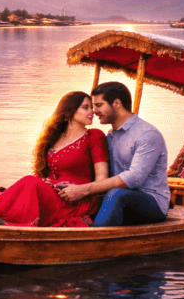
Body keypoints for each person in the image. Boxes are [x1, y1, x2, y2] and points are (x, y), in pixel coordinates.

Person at [0, 91, 109, 227]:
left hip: (75, 200)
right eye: (85, 107)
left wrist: (81, 190)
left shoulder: (94, 136)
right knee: (16, 190)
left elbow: (102, 180)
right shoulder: (54, 137)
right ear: (69, 112)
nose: (92, 112)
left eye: (92, 107)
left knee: (30, 181)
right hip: (51, 193)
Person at [58, 81, 170, 226]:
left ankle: (92, 240)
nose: (94, 111)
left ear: (116, 103)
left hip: (151, 201)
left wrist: (85, 189)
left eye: (98, 105)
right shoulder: (109, 137)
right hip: (112, 198)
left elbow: (134, 178)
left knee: (116, 195)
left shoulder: (147, 134)